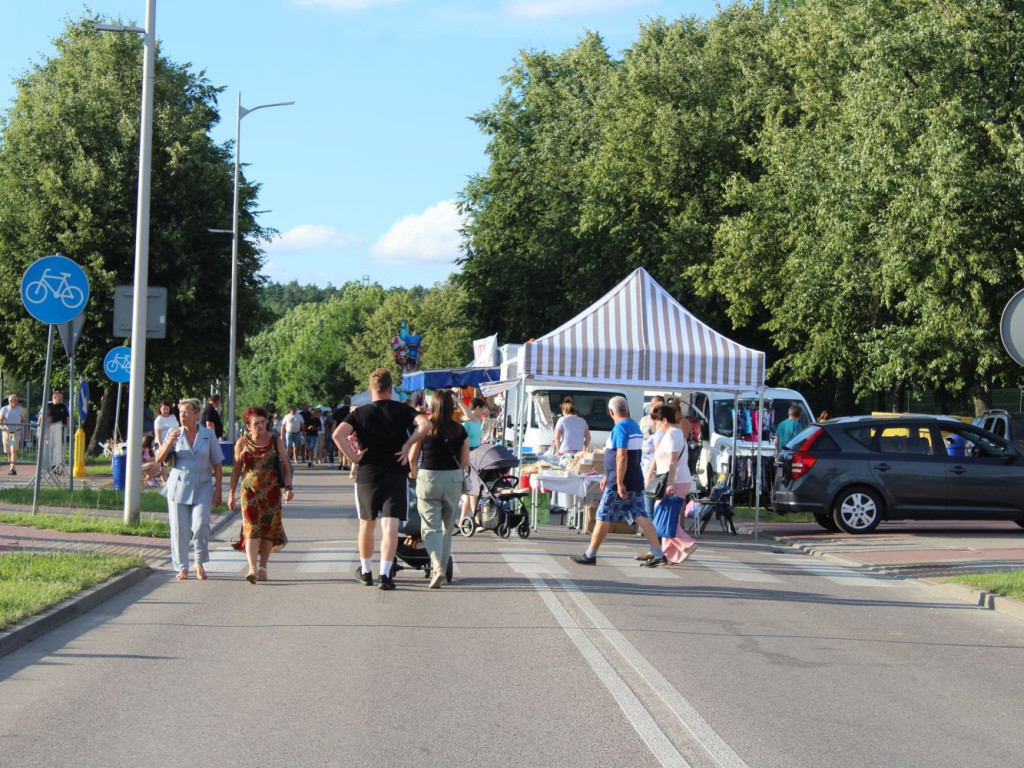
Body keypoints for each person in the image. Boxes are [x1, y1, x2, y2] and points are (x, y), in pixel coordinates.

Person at [333, 368, 430, 590]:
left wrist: (354, 458)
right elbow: (426, 425)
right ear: (391, 388)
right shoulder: (402, 410)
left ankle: (366, 571)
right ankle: (385, 575)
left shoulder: (360, 413)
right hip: (395, 473)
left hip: (368, 474)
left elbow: (337, 435)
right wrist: (408, 445)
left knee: (366, 525)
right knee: (391, 527)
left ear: (370, 390)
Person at [570, 396, 667, 567]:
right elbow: (625, 455)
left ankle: (590, 554)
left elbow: (622, 455)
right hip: (633, 479)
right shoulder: (634, 425)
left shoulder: (620, 427)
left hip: (619, 482)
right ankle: (658, 552)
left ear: (611, 412)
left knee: (602, 516)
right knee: (641, 515)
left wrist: (618, 481)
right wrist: (609, 474)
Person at [155, 398, 223, 581]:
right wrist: (169, 442)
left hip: (203, 485)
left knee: (201, 524)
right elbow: (159, 459)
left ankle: (198, 562)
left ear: (196, 414)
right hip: (178, 486)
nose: (182, 415)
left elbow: (217, 463)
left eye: (186, 412)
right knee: (179, 528)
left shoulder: (208, 435)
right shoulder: (174, 433)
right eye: (180, 412)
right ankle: (182, 566)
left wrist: (218, 491)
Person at [408, 389, 469, 588]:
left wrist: (413, 473)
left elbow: (412, 457)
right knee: (447, 528)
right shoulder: (460, 430)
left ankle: (437, 566)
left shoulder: (425, 428)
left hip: (429, 478)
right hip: (452, 479)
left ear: (432, 405)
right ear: (451, 406)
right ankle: (441, 565)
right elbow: (465, 461)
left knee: (429, 526)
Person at [228, 406, 292, 583]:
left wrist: (288, 487)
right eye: (256, 423)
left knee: (268, 531)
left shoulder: (275, 440)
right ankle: (252, 567)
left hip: (271, 493)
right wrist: (231, 495)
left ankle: (263, 567)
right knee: (251, 530)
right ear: (248, 425)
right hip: (249, 494)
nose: (261, 426)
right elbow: (235, 470)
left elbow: (286, 465)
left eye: (263, 422)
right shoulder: (242, 442)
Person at [638, 404, 696, 562]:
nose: (657, 426)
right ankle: (666, 553)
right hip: (679, 478)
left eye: (657, 423)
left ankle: (686, 543)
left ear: (664, 420)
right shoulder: (676, 433)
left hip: (675, 479)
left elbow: (672, 460)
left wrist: (670, 483)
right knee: (668, 516)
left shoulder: (671, 435)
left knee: (662, 516)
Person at [457, 396, 490, 530]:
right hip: (468, 456)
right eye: (482, 409)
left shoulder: (478, 422)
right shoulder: (467, 423)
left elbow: (478, 438)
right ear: (477, 408)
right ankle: (477, 519)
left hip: (477, 455)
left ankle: (461, 521)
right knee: (473, 489)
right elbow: (460, 441)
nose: (483, 411)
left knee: (470, 490)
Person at [0, 394, 26, 475]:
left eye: (17, 400)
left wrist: (27, 431)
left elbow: (23, 420)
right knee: (8, 451)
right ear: (11, 401)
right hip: (6, 433)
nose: (17, 402)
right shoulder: (4, 409)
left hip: (16, 432)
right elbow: (1, 420)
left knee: (13, 450)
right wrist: (2, 427)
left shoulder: (20, 409)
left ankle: (13, 468)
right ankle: (11, 466)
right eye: (16, 400)